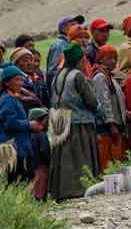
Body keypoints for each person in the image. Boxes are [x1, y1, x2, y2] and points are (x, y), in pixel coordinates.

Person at [48, 43, 103, 201]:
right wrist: (101, 113)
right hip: (78, 122)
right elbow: (91, 101)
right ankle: (79, 189)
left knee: (63, 157)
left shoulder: (57, 75)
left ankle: (61, 191)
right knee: (79, 157)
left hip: (59, 120)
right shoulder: (78, 76)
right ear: (80, 60)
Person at [0, 65, 46, 184]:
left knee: (20, 180)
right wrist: (29, 125)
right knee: (15, 181)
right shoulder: (7, 100)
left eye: (22, 80)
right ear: (7, 83)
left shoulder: (12, 98)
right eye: (17, 79)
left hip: (19, 147)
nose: (21, 83)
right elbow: (9, 123)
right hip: (12, 149)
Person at [90, 45, 127, 171]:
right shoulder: (100, 77)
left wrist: (125, 112)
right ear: (101, 59)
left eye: (115, 58)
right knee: (107, 160)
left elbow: (113, 100)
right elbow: (103, 102)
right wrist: (111, 124)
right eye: (109, 58)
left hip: (113, 126)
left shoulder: (108, 76)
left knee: (115, 160)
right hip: (106, 128)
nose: (113, 61)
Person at [46, 15, 84, 88]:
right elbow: (53, 71)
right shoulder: (60, 45)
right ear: (64, 29)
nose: (77, 28)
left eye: (78, 25)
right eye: (73, 25)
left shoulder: (71, 44)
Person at [27, 108, 51, 201]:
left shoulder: (28, 135)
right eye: (46, 120)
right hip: (42, 166)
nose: (48, 123)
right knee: (41, 186)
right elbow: (44, 150)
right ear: (38, 120)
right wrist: (50, 160)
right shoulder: (41, 134)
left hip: (32, 166)